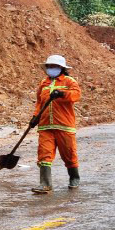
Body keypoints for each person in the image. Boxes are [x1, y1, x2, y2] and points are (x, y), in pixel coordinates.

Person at [31, 54, 82, 194]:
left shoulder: (69, 81)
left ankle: (74, 177)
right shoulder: (44, 83)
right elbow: (40, 103)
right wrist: (35, 117)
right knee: (44, 154)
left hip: (64, 125)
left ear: (61, 68)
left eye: (54, 66)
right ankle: (45, 184)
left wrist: (62, 93)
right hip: (45, 125)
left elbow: (76, 95)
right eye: (49, 66)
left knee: (69, 154)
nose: (51, 68)